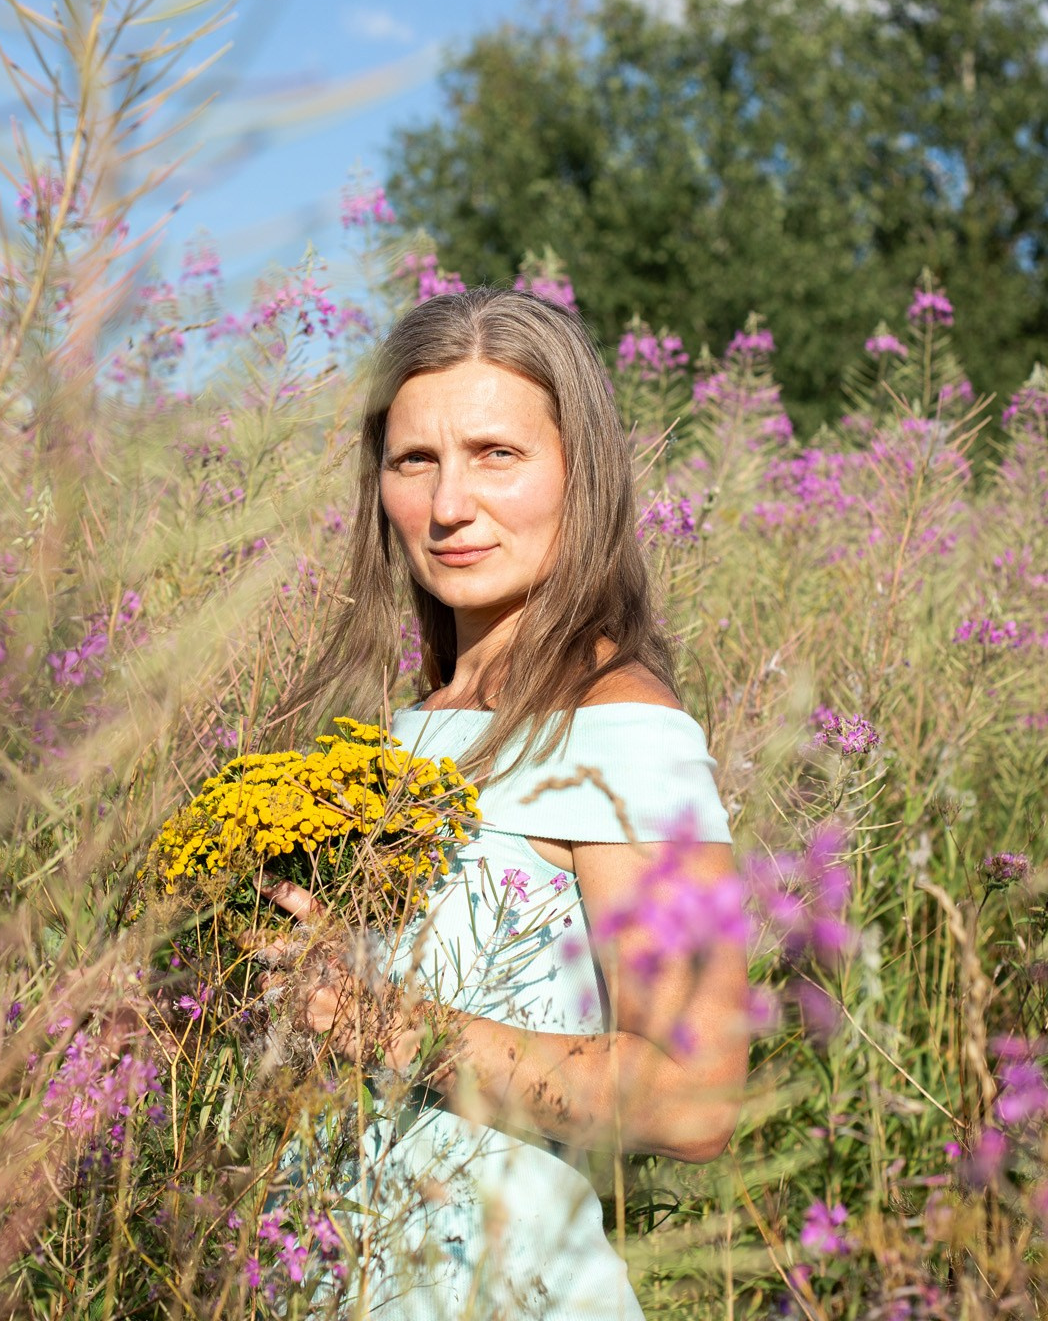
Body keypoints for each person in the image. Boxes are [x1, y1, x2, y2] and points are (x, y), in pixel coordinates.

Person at [270, 287, 750, 1320]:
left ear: (583, 475)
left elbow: (694, 1096)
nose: (448, 506)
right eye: (415, 461)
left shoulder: (622, 728)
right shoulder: (406, 727)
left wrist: (377, 1022)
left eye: (497, 453)